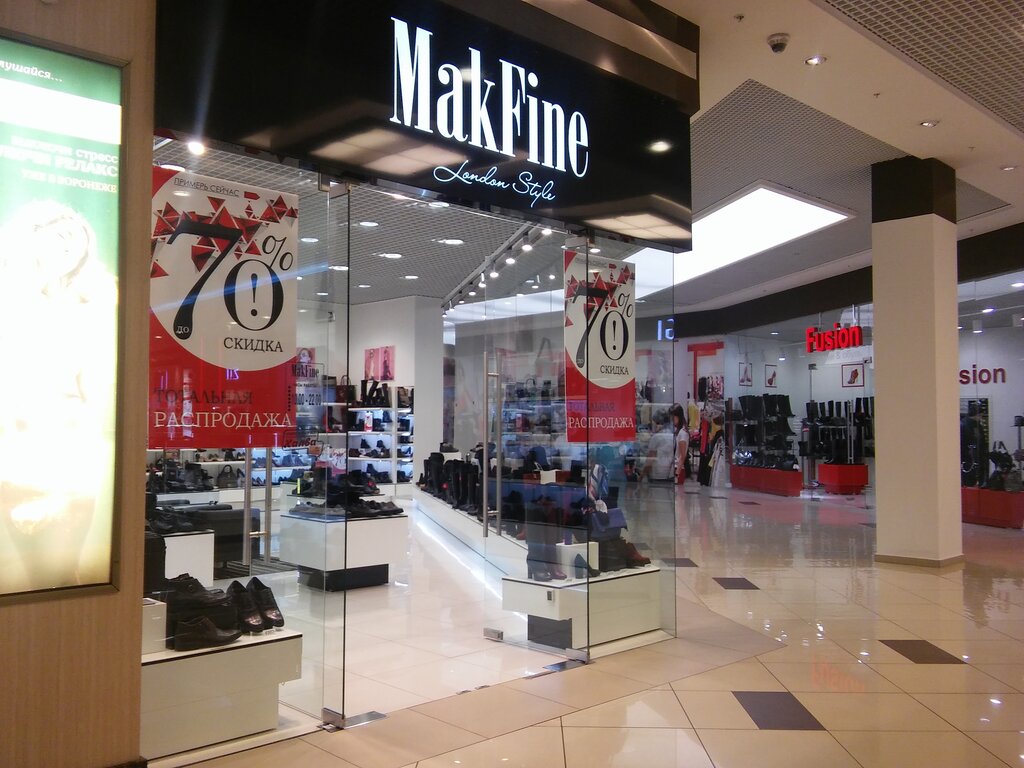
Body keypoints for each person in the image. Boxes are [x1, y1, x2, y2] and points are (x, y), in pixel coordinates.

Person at [640, 409, 675, 481]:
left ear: (658, 423)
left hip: (657, 475)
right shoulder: (672, 436)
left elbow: (650, 460)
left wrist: (641, 476)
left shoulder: (657, 437)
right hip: (670, 474)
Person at [671, 404, 689, 483]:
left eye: (673, 417)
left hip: (678, 469)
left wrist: (677, 474)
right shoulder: (677, 431)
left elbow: (682, 455)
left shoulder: (682, 433)